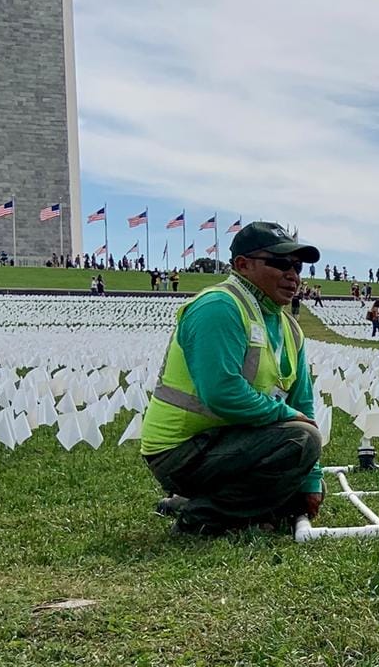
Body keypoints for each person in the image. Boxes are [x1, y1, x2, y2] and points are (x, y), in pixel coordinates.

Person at [139, 221, 324, 536]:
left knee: (296, 484)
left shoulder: (290, 328)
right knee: (301, 441)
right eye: (280, 263)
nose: (293, 275)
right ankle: (201, 516)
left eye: (297, 266)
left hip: (230, 441)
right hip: (181, 450)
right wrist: (288, 417)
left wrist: (311, 479)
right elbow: (222, 392)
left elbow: (301, 400)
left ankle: (193, 502)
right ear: (242, 265)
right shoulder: (219, 307)